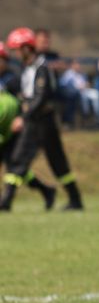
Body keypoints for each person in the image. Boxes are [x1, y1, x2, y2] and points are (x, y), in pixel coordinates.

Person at [1, 37, 83, 212]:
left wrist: (24, 116)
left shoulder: (42, 68)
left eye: (17, 49)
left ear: (26, 49)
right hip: (36, 119)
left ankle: (6, 201)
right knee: (32, 159)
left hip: (41, 120)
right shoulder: (27, 69)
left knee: (37, 160)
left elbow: (41, 96)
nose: (15, 53)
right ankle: (72, 199)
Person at [0, 30, 59, 210]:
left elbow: (27, 100)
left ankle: (6, 202)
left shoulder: (13, 78)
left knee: (16, 164)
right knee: (16, 166)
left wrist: (21, 118)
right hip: (6, 129)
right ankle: (46, 191)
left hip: (17, 128)